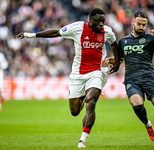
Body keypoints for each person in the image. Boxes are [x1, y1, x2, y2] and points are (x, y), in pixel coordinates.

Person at [17, 8, 120, 148]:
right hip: (78, 74)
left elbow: (114, 43)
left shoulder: (107, 31)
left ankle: (83, 139)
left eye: (103, 21)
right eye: (98, 21)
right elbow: (56, 32)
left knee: (92, 102)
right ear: (90, 20)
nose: (101, 24)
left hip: (97, 71)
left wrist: (116, 62)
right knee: (75, 111)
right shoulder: (77, 28)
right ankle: (84, 94)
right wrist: (32, 35)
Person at [103, 11, 154, 146]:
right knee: (136, 104)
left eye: (144, 24)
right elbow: (120, 59)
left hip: (148, 77)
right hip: (132, 79)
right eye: (139, 24)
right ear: (132, 23)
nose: (141, 27)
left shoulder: (150, 38)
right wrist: (110, 60)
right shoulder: (123, 41)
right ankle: (148, 125)